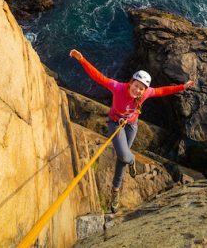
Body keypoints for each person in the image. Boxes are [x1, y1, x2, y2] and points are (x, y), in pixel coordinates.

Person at [69, 49, 195, 213]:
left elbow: (162, 91)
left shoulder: (146, 93)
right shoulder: (118, 88)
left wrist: (182, 87)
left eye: (141, 88)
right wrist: (82, 60)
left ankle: (115, 190)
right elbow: (98, 77)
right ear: (131, 83)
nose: (138, 90)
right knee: (124, 156)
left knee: (121, 159)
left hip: (131, 125)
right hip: (116, 123)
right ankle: (132, 159)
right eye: (136, 86)